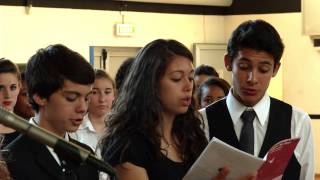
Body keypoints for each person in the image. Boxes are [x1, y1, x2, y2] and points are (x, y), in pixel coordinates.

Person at [100, 39, 256, 180]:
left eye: (190, 78)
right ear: (151, 83)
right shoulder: (128, 145)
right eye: (176, 78)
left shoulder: (191, 135)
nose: (188, 87)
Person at [200, 19, 314, 179]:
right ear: (228, 62)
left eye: (263, 69)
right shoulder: (201, 121)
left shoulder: (297, 122)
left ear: (275, 69)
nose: (252, 79)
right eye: (244, 67)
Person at [4, 44, 99, 180]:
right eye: (71, 98)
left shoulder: (86, 156)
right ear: (40, 97)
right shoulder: (11, 161)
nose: (83, 108)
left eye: (87, 98)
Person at [70, 69, 115, 152]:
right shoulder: (75, 128)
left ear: (114, 95)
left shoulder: (121, 127)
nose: (102, 99)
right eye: (95, 92)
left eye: (107, 92)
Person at [0, 58, 21, 148]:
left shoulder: (30, 131)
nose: (7, 95)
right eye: (0, 88)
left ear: (19, 86)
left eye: (13, 87)